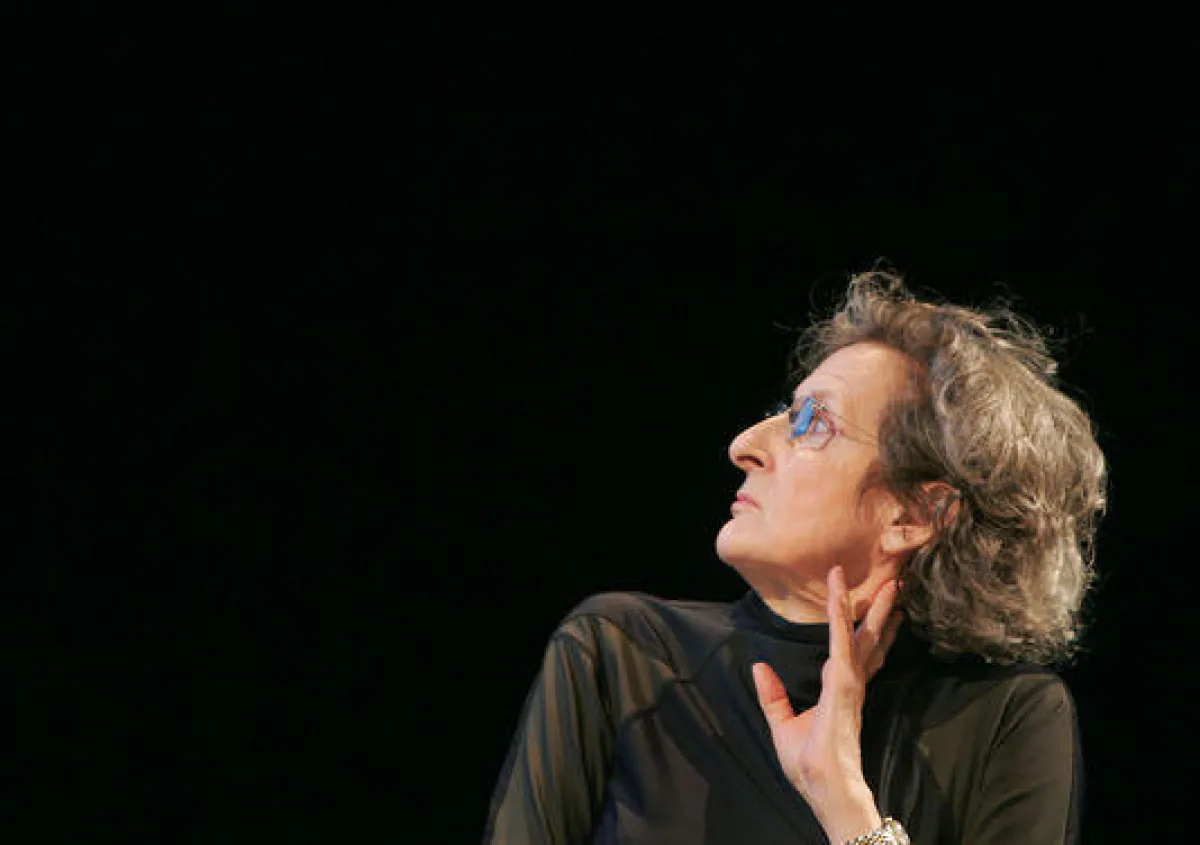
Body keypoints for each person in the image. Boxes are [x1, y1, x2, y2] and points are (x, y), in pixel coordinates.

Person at [482, 270, 1107, 844]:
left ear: (914, 516)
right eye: (781, 414)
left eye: (812, 422)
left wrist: (842, 801)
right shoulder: (622, 655)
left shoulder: (1007, 719)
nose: (744, 445)